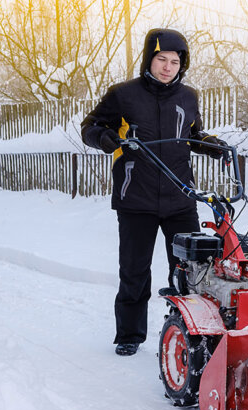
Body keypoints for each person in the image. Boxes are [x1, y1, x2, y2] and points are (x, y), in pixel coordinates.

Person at [81, 28, 228, 356]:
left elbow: (191, 135)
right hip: (137, 200)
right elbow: (90, 127)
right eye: (161, 59)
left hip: (180, 199)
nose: (167, 66)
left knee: (192, 270)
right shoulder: (123, 94)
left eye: (175, 61)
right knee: (134, 270)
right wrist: (103, 139)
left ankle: (192, 335)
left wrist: (211, 145)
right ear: (149, 59)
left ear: (182, 65)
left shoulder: (188, 97)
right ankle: (130, 335)